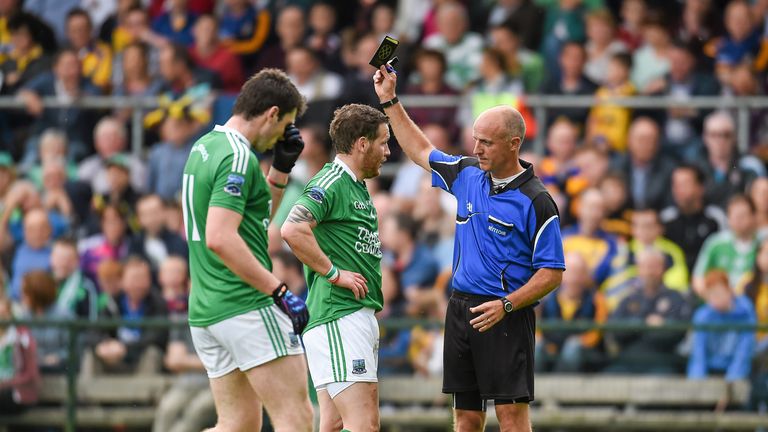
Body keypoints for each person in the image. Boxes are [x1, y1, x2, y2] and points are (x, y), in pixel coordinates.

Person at [374, 64, 565, 431]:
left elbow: (552, 272)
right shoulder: (467, 174)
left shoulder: (537, 200)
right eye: (476, 139)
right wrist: (389, 99)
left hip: (506, 313)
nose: (476, 149)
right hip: (460, 308)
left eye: (487, 142)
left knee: (511, 418)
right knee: (465, 417)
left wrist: (507, 304)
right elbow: (419, 150)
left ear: (514, 143)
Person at [182, 68, 313, 432]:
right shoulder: (238, 157)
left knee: (236, 425)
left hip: (208, 310)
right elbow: (221, 238)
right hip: (246, 305)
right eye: (284, 123)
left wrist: (281, 170)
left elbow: (252, 219)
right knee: (297, 418)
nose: (278, 136)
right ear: (272, 114)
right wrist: (279, 290)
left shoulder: (205, 146)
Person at [281, 103, 389, 432]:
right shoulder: (332, 180)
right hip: (339, 315)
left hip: (345, 316)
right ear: (361, 144)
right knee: (364, 425)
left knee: (334, 423)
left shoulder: (354, 185)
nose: (387, 152)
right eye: (383, 142)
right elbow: (291, 228)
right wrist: (334, 273)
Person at [688, 270, 755, 382]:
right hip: (710, 370)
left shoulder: (746, 312)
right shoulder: (703, 315)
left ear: (729, 290)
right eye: (710, 294)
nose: (715, 299)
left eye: (719, 293)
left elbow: (744, 352)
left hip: (737, 372)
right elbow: (698, 353)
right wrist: (698, 382)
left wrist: (732, 381)